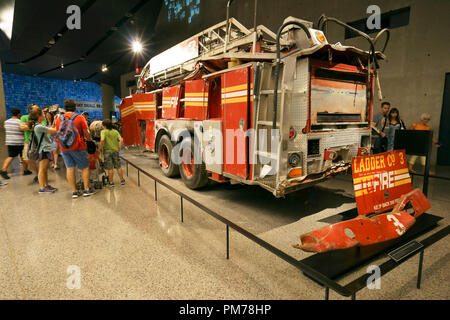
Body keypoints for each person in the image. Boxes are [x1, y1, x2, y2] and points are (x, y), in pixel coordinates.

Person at [55, 99, 96, 198]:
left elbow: (58, 132)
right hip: (78, 147)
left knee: (70, 168)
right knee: (84, 168)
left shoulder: (59, 119)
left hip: (64, 147)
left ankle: (74, 191)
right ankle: (86, 190)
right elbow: (86, 133)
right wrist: (90, 140)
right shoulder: (79, 118)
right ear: (75, 107)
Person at [28, 109, 58, 193]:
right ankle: (42, 187)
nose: (45, 115)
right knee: (42, 169)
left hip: (45, 149)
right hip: (44, 150)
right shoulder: (39, 127)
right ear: (39, 116)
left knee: (45, 170)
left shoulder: (39, 125)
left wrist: (54, 120)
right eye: (43, 114)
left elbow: (51, 129)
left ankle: (46, 185)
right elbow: (55, 130)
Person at [19, 104, 43, 183]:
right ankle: (37, 173)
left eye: (38, 108)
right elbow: (22, 127)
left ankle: (41, 175)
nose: (37, 110)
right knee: (26, 158)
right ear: (30, 110)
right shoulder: (24, 117)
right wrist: (35, 127)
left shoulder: (42, 116)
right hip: (28, 142)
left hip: (40, 141)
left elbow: (43, 126)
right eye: (35, 108)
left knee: (41, 159)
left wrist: (29, 126)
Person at [0, 108, 26, 179]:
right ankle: (3, 170)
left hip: (10, 141)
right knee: (19, 156)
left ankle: (26, 170)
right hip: (19, 142)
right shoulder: (20, 122)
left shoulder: (6, 122)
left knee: (16, 156)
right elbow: (23, 130)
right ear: (19, 114)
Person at [100, 119, 125, 187]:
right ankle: (122, 180)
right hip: (115, 151)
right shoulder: (115, 131)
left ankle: (111, 182)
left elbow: (102, 140)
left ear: (104, 126)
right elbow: (121, 140)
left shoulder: (103, 132)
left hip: (107, 151)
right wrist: (119, 147)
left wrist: (102, 148)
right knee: (118, 166)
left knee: (110, 167)